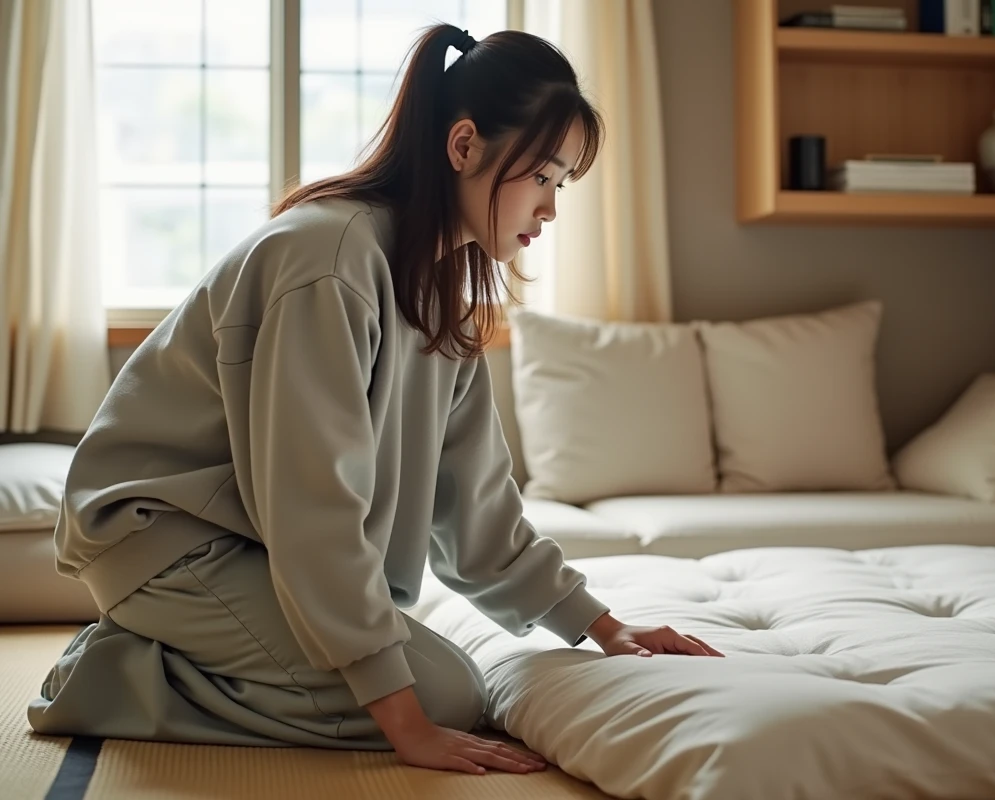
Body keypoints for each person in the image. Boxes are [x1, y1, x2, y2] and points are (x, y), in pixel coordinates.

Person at [28, 24, 722, 776]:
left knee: (434, 682)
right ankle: (111, 676)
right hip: (165, 538)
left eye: (563, 185)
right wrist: (405, 724)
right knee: (443, 696)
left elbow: (478, 511)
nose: (552, 209)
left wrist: (603, 628)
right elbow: (311, 504)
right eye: (545, 177)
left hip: (252, 543)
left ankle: (183, 653)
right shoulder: (327, 260)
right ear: (464, 147)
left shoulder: (443, 293)